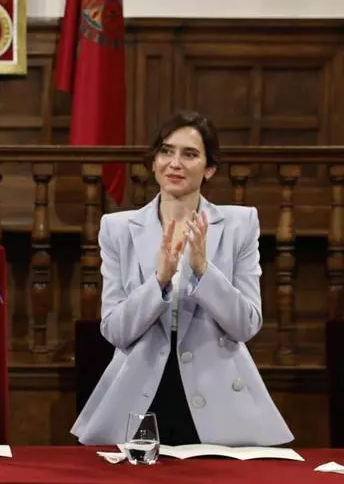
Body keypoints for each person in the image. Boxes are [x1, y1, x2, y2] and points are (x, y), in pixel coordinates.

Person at [70, 111, 293, 446]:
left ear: (210, 168)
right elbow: (115, 331)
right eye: (166, 151)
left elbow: (246, 326)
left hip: (218, 395)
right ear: (154, 161)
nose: (174, 163)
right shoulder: (117, 229)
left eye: (189, 154)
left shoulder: (240, 225)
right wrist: (159, 279)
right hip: (141, 394)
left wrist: (204, 270)